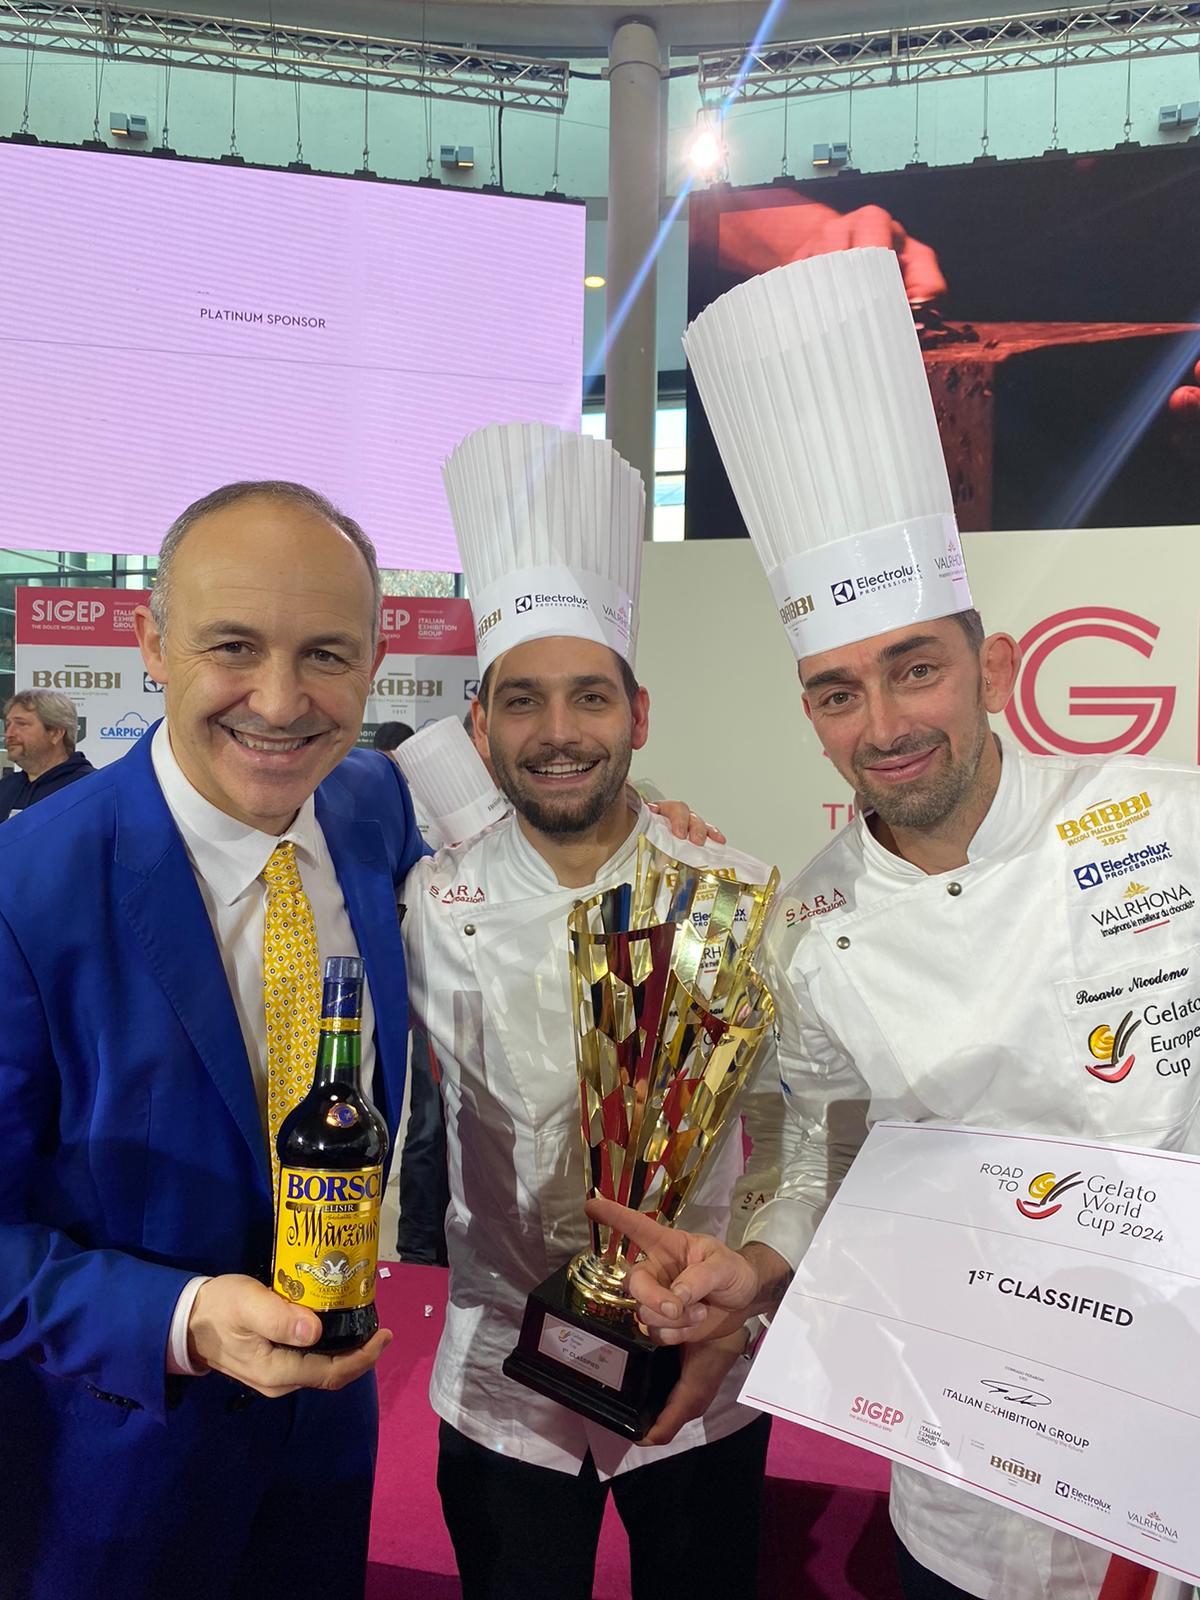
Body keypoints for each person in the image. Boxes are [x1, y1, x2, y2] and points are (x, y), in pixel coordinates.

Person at [592, 251, 1198, 1600]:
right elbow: (814, 1159)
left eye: (914, 668)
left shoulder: (1173, 824)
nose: (883, 724)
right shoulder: (806, 924)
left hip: (1179, 1460)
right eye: (837, 691)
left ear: (995, 668)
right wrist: (752, 1266)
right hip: (963, 1475)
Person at [0, 480, 424, 1600]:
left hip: (329, 1446)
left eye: (325, 654)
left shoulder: (373, 807)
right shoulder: (24, 890)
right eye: (232, 645)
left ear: (375, 661)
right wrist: (184, 1320)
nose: (279, 703)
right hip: (112, 1473)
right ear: (153, 644)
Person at [400, 421, 776, 1600]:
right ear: (482, 723)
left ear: (638, 713)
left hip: (698, 1367)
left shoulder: (734, 893)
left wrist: (751, 1284)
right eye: (523, 701)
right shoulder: (426, 900)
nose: (558, 732)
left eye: (589, 698)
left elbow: (795, 1133)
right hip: (501, 1381)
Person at [1, 688, 95, 819]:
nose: (9, 734)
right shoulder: (5, 787)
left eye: (21, 724)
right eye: (8, 725)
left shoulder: (91, 789)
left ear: (55, 733)